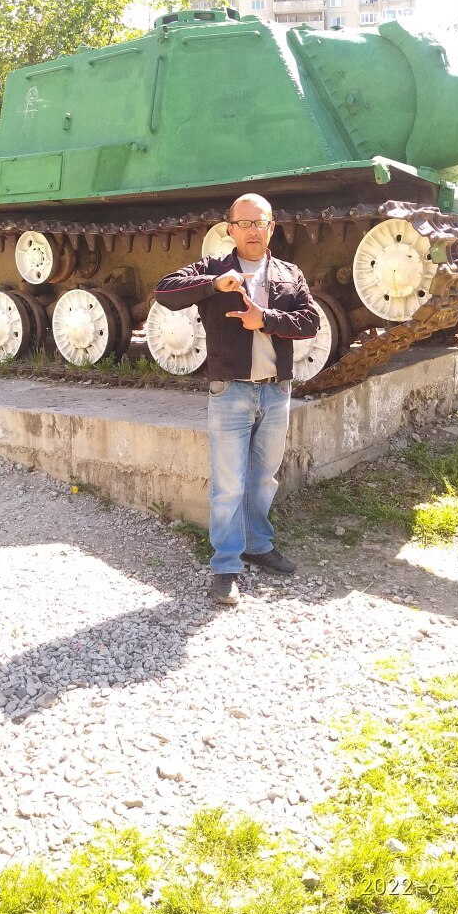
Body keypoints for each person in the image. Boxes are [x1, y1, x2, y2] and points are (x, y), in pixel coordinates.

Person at [154, 193, 319, 605]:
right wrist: (213, 285)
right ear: (230, 229)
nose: (252, 230)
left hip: (276, 390)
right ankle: (226, 566)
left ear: (271, 227)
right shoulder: (213, 268)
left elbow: (310, 321)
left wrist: (265, 319)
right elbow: (164, 292)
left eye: (259, 222)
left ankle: (257, 545)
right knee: (228, 485)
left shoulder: (288, 273)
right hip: (230, 391)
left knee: (264, 478)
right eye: (243, 223)